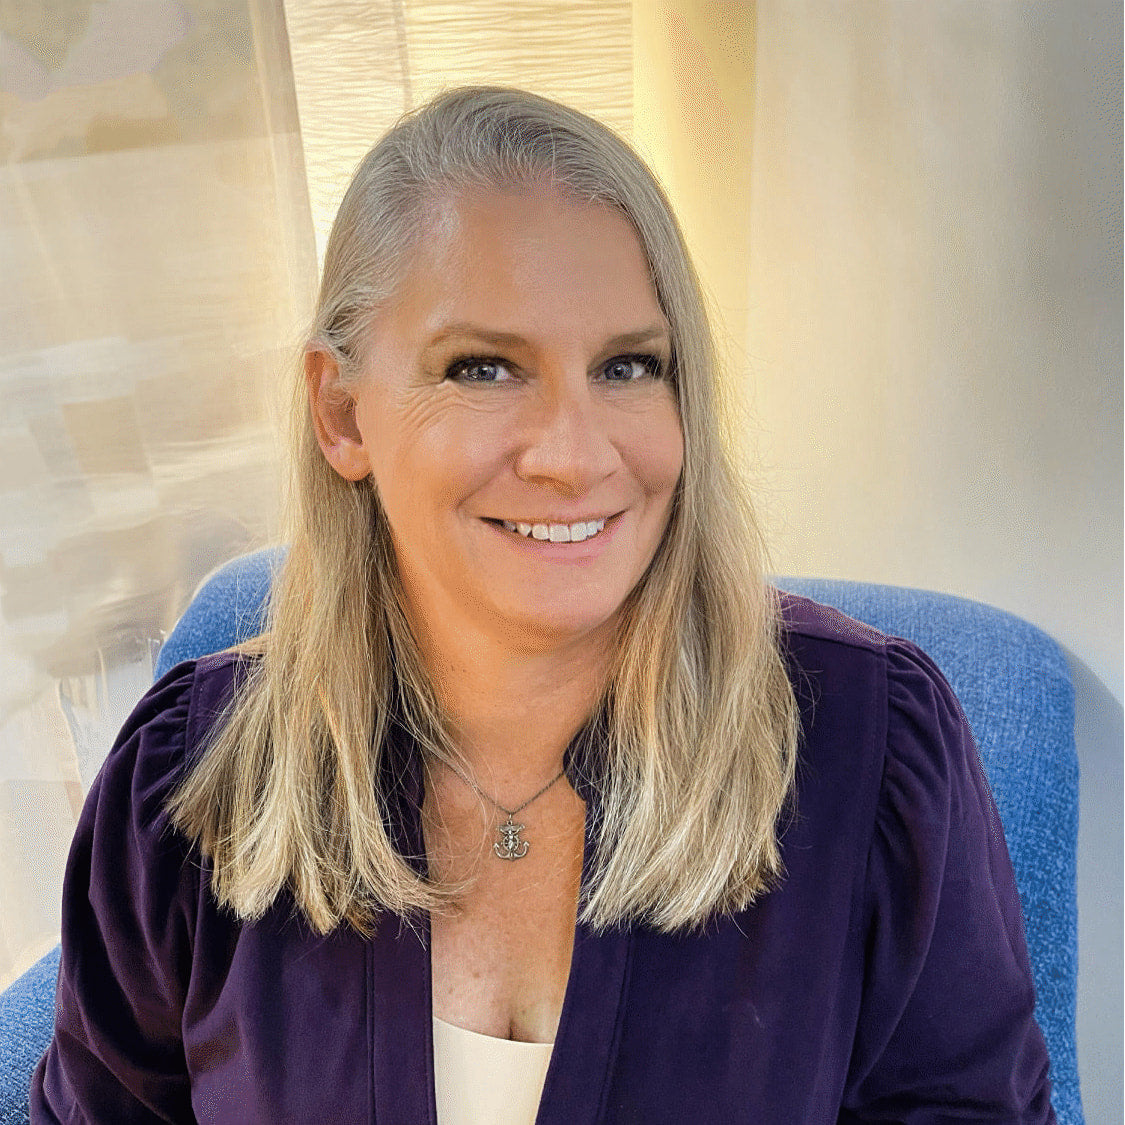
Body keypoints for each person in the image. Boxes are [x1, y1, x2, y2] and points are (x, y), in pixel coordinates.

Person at [31, 86, 1055, 1123]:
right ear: (342, 413)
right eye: (483, 367)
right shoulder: (189, 784)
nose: (574, 455)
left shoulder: (871, 752)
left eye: (628, 366)